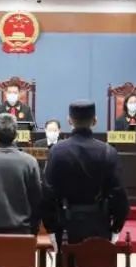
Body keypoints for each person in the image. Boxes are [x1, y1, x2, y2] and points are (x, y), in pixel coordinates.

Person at [42, 100, 130, 246]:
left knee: (67, 260)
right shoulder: (108, 152)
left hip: (66, 226)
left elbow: (47, 194)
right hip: (99, 225)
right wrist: (116, 228)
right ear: (95, 121)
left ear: (69, 121)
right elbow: (119, 195)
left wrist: (50, 228)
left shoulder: (57, 151)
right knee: (97, 260)